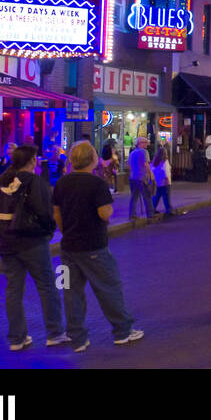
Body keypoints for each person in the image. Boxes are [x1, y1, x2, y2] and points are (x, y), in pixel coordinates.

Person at [52, 141, 143, 351]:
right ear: (92, 159)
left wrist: (66, 231)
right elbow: (104, 213)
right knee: (109, 287)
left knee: (70, 292)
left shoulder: (61, 183)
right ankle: (123, 331)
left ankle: (77, 338)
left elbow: (57, 214)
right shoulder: (97, 184)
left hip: (67, 249)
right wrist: (109, 212)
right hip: (94, 246)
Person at [0, 144, 67, 351]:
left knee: (14, 290)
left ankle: (17, 338)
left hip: (6, 243)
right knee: (47, 286)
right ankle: (55, 332)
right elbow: (44, 211)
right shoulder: (34, 182)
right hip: (31, 241)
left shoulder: (2, 182)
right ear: (32, 161)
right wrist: (49, 231)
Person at [126, 136, 155, 222]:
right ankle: (150, 214)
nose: (147, 144)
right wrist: (150, 174)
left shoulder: (132, 153)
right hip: (141, 177)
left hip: (133, 177)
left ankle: (132, 214)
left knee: (134, 197)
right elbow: (146, 164)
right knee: (147, 196)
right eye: (145, 142)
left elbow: (128, 165)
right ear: (140, 143)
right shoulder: (144, 152)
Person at [151, 144, 176, 217]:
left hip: (157, 181)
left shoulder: (155, 161)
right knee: (166, 197)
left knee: (156, 196)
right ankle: (169, 210)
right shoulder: (165, 161)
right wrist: (167, 179)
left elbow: (152, 169)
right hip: (164, 182)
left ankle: (152, 209)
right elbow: (166, 171)